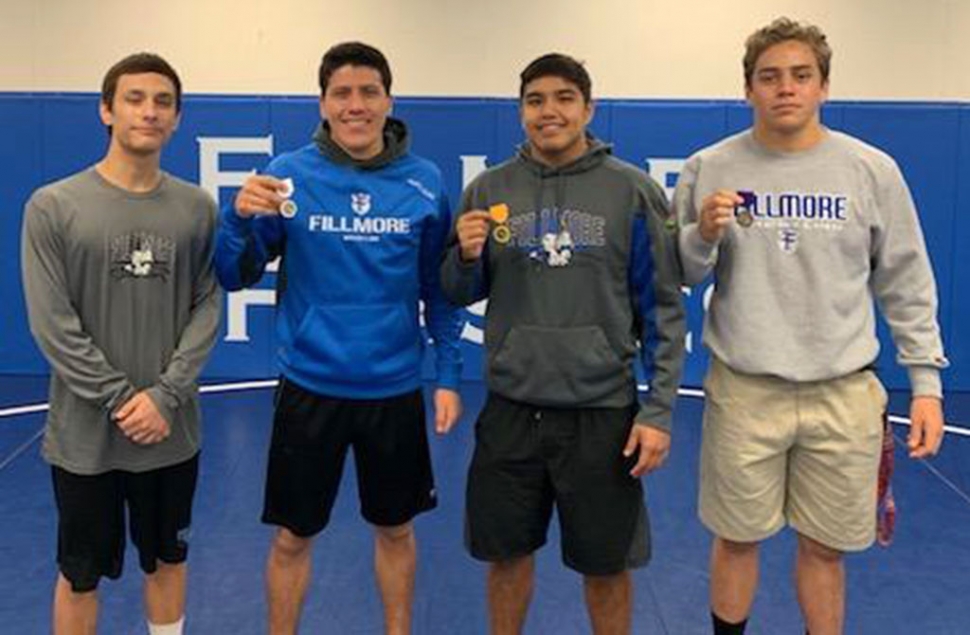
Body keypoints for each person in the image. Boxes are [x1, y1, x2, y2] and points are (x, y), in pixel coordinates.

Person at [673, 17, 949, 635]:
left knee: (826, 548)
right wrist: (704, 234)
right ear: (748, 90)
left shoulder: (870, 170)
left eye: (801, 76)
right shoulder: (708, 168)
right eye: (769, 77)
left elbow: (906, 279)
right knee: (736, 538)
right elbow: (682, 273)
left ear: (824, 86)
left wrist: (925, 382)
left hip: (842, 393)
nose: (786, 89)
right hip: (746, 389)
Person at [214, 41, 463, 635]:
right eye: (342, 93)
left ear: (389, 100)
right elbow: (233, 273)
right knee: (293, 536)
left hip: (394, 388)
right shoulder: (287, 174)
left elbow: (440, 287)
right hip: (310, 386)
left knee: (397, 530)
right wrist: (236, 219)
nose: (356, 105)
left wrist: (448, 374)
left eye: (368, 92)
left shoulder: (425, 183)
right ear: (323, 104)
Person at [441, 53, 685, 635]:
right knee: (505, 555)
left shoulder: (632, 191)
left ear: (588, 108)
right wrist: (465, 255)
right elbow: (454, 291)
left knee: (606, 566)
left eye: (563, 98)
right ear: (521, 111)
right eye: (535, 100)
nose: (549, 111)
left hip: (601, 413)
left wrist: (659, 411)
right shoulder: (489, 188)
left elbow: (664, 310)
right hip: (512, 409)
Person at [20, 53, 221, 635]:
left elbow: (207, 305)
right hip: (86, 439)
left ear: (177, 118)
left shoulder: (197, 208)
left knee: (167, 562)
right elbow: (52, 323)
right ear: (107, 110)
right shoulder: (53, 206)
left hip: (171, 434)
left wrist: (166, 396)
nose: (149, 111)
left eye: (163, 101)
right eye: (134, 98)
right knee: (80, 575)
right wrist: (120, 400)